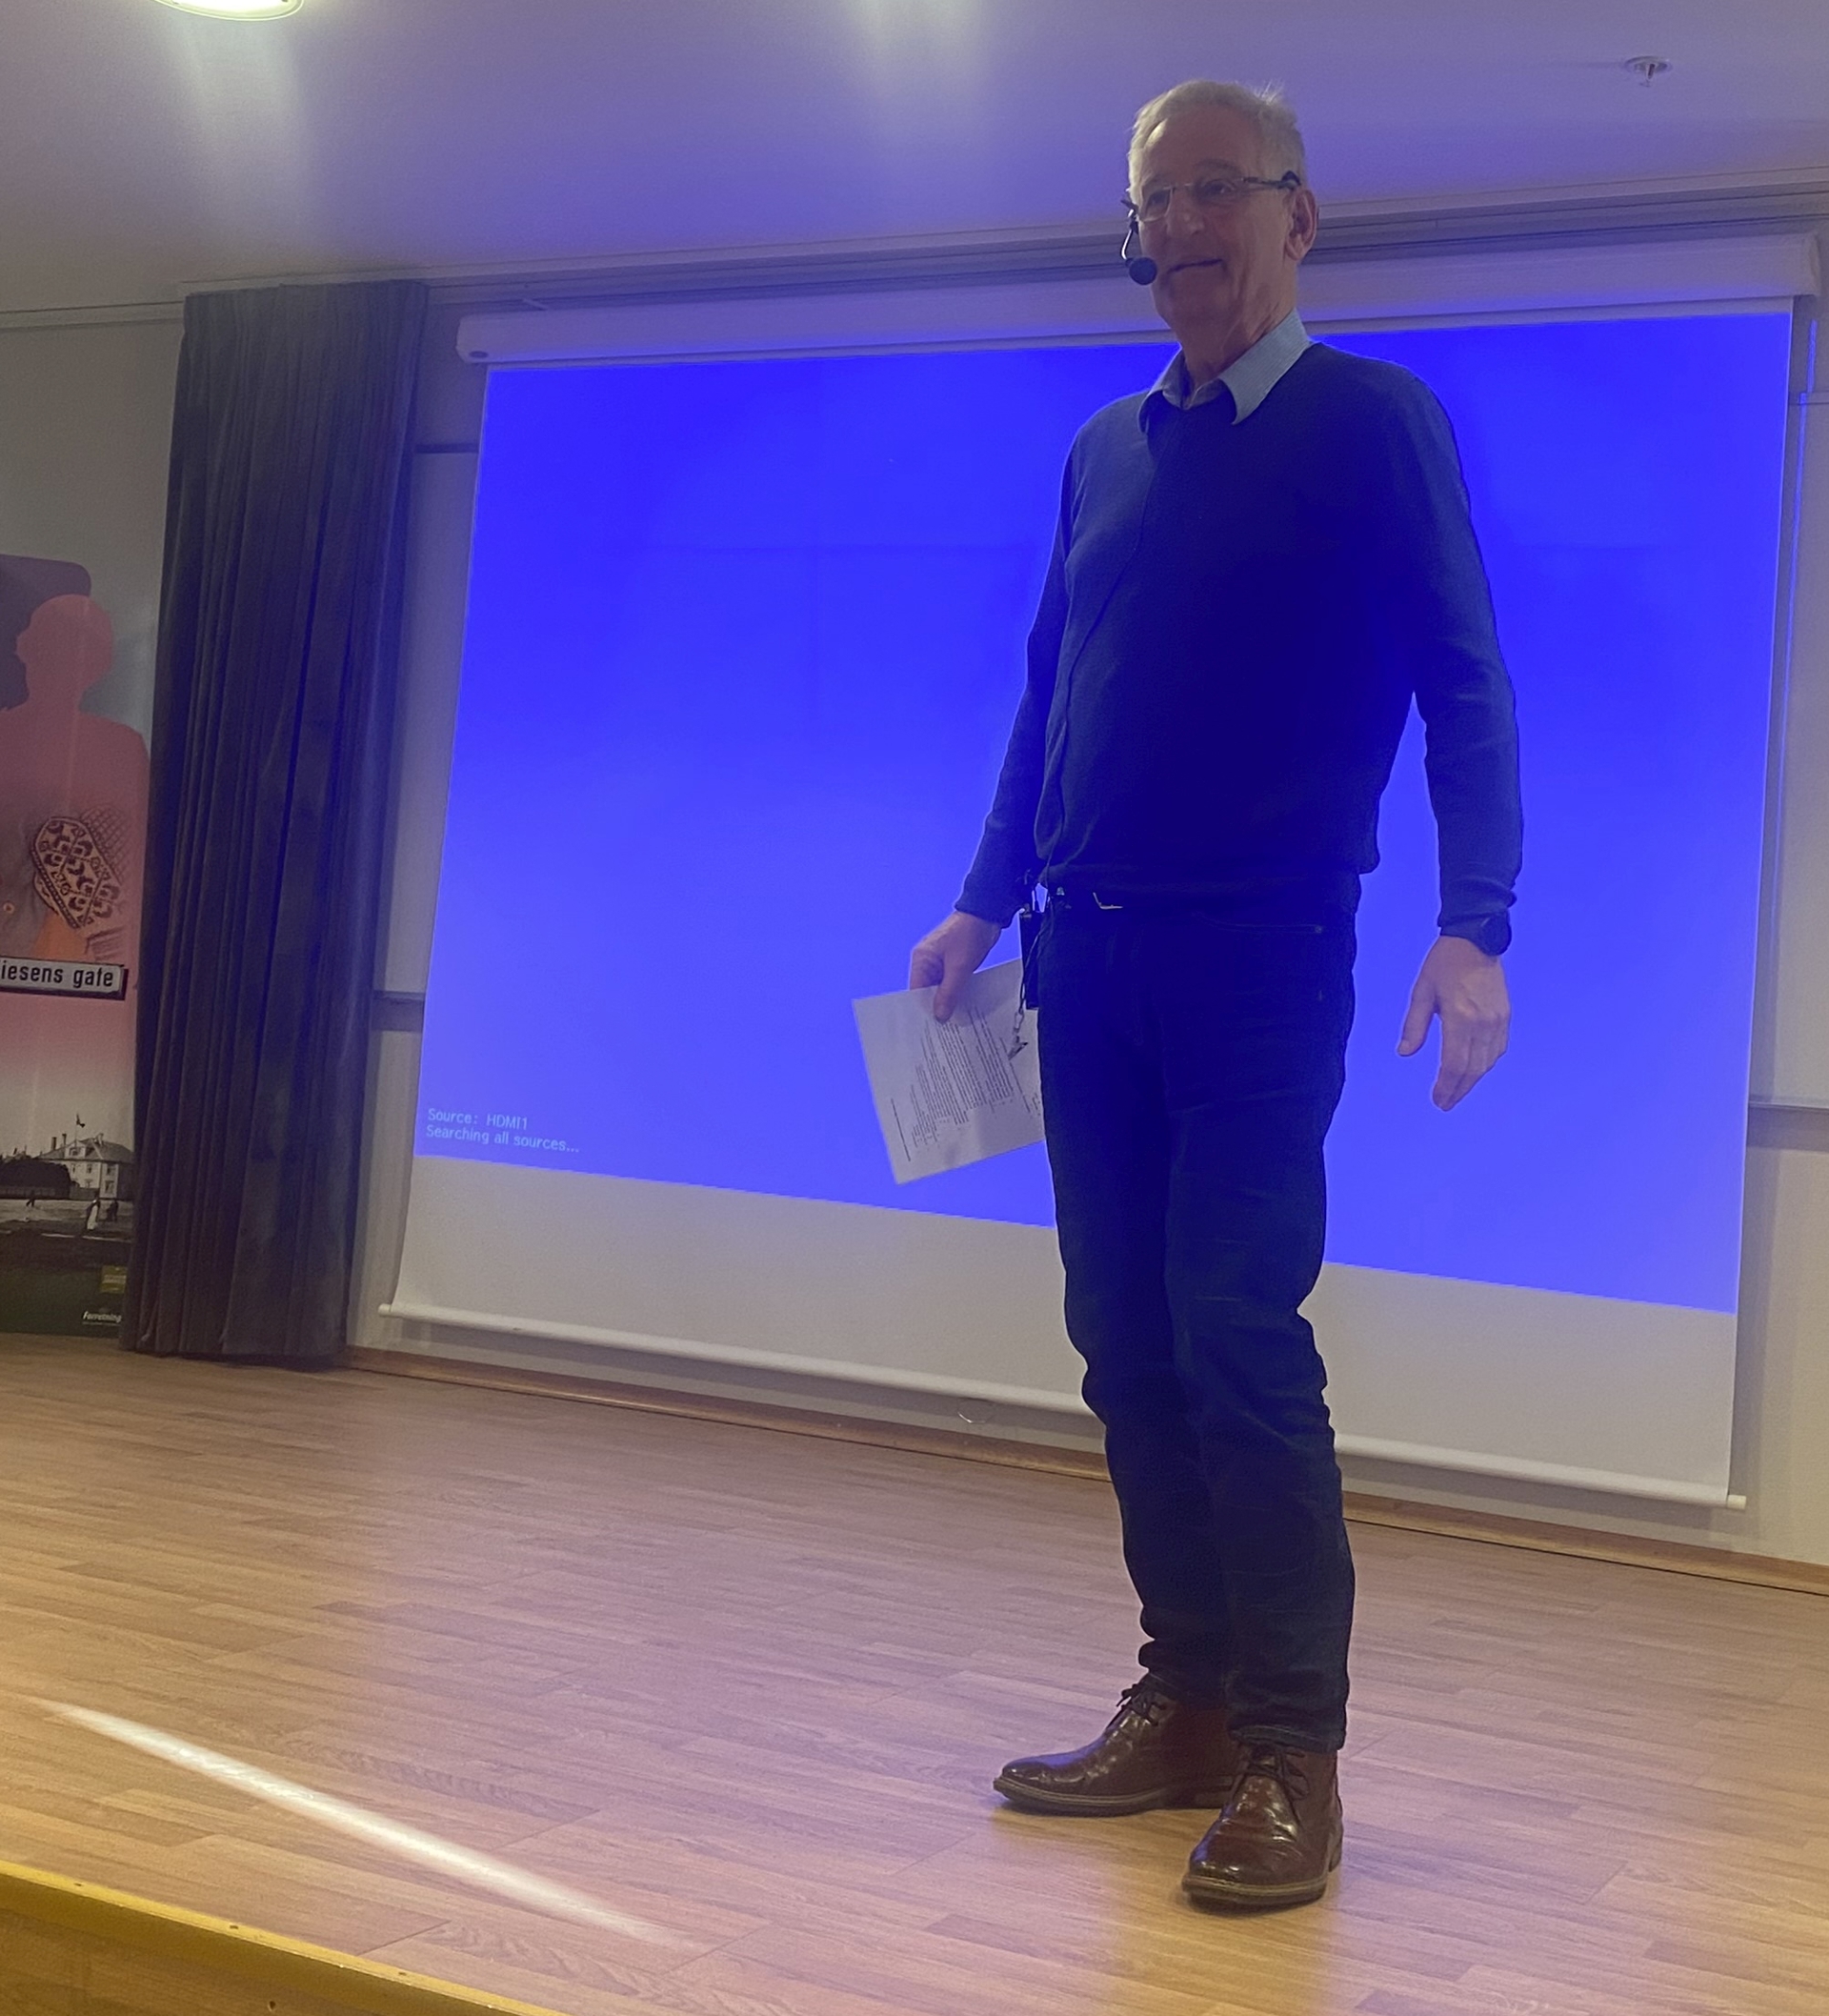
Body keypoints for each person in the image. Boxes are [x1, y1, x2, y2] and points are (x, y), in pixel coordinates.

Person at [910, 79, 1520, 1911]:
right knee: (1122, 1333)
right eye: (1152, 203)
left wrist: (1475, 919)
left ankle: (1287, 1753)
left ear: (1297, 217)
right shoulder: (1102, 451)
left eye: (1213, 193)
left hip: (1264, 952)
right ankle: (1182, 1697)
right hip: (1085, 953)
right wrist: (981, 899)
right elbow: (1051, 693)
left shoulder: (1375, 423)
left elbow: (1466, 683)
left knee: (1237, 1332)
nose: (1177, 229)